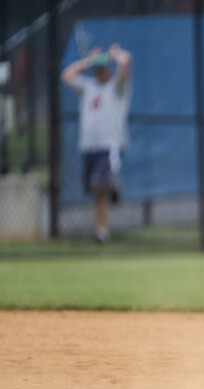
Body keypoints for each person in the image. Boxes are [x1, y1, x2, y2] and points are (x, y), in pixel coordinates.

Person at [61, 44, 133, 243]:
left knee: (98, 184)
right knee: (96, 192)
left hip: (109, 146)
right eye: (98, 69)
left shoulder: (116, 88)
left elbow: (126, 62)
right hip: (89, 147)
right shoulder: (87, 87)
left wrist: (114, 54)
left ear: (108, 69)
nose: (101, 72)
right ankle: (101, 232)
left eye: (103, 68)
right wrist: (88, 61)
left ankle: (112, 183)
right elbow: (67, 75)